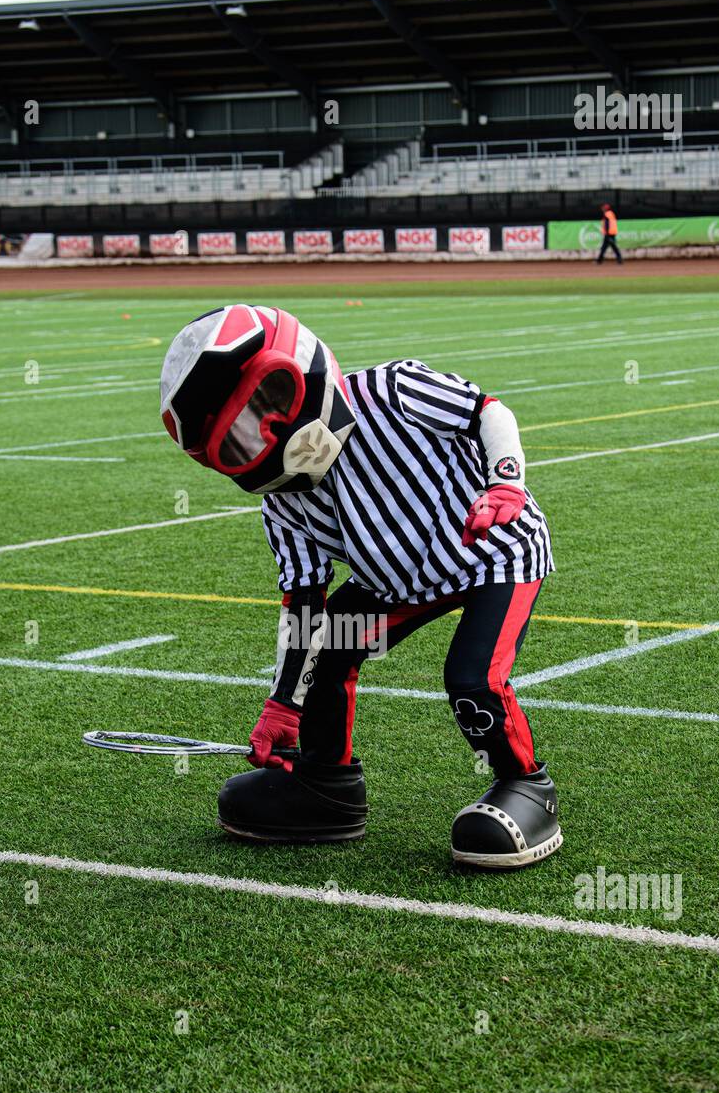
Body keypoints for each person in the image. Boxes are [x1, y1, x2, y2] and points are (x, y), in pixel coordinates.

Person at [159, 304, 561, 868]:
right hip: (395, 579)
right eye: (241, 436)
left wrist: (506, 483)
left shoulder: (392, 390)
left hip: (492, 549)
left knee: (473, 679)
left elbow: (488, 412)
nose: (269, 433)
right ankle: (327, 787)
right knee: (328, 648)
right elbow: (304, 604)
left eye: (269, 402)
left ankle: (527, 785)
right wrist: (282, 705)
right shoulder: (284, 504)